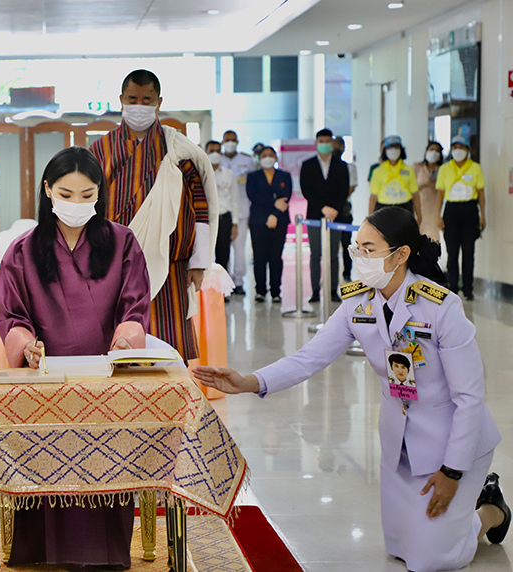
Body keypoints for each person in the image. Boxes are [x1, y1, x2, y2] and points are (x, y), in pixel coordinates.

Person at [193, 206, 510, 572]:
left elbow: (470, 397)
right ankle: (464, 513)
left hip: (453, 445)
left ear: (401, 255)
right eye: (357, 248)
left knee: (432, 559)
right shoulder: (358, 303)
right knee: (400, 548)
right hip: (402, 446)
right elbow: (309, 357)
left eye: (369, 249)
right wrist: (250, 382)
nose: (360, 257)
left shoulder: (441, 308)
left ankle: (490, 509)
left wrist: (453, 471)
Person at [0, 146, 151, 568]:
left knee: (108, 460)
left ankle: (105, 551)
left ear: (100, 193)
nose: (76, 204)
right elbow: (11, 315)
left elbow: (135, 306)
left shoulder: (122, 241)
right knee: (43, 458)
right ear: (48, 189)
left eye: (87, 195)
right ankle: (42, 551)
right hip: (46, 380)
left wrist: (126, 338)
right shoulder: (23, 250)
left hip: (107, 379)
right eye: (66, 194)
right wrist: (26, 345)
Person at [90, 69, 217, 361]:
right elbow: (90, 204)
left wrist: (199, 262)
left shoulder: (179, 149)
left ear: (159, 102)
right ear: (121, 100)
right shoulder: (101, 150)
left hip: (171, 265)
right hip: (115, 263)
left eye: (146, 100)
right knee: (118, 343)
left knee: (170, 348)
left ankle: (173, 391)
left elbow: (200, 206)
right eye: (132, 99)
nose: (139, 106)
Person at [299, 128, 350, 303]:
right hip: (315, 216)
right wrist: (323, 208)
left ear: (332, 143)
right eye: (321, 141)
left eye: (327, 141)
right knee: (315, 254)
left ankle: (333, 289)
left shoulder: (341, 165)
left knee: (333, 254)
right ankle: (315, 291)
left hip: (335, 217)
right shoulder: (307, 165)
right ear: (316, 143)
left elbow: (343, 190)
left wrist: (333, 210)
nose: (324, 144)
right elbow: (306, 190)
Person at [436, 135, 486, 301]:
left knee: (468, 252)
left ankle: (468, 288)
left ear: (467, 150)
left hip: (469, 210)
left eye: (461, 147)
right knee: (452, 252)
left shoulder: (475, 168)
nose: (458, 151)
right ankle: (453, 287)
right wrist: (438, 215)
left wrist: (482, 215)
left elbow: (480, 193)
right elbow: (440, 193)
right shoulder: (445, 168)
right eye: (455, 147)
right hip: (451, 210)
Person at [246, 146, 291, 303]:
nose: (268, 158)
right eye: (264, 155)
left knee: (275, 257)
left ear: (276, 158)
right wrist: (273, 203)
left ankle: (276, 292)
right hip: (258, 221)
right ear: (259, 158)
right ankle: (260, 291)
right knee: (259, 257)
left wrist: (275, 215)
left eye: (271, 155)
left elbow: (285, 199)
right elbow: (253, 196)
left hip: (280, 221)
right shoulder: (252, 176)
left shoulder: (285, 176)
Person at [221, 130, 255, 296]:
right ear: (222, 142)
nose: (230, 143)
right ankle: (224, 281)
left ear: (238, 141)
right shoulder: (217, 160)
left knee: (240, 249)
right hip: (222, 211)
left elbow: (252, 186)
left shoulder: (246, 160)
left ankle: (239, 281)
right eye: (227, 140)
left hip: (242, 210)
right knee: (222, 249)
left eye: (233, 140)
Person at [206, 140, 239, 294]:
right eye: (211, 151)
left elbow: (235, 199)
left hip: (224, 219)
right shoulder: (199, 172)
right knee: (205, 255)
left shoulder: (228, 174)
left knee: (223, 255)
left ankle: (221, 291)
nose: (215, 154)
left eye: (218, 151)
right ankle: (207, 290)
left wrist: (235, 224)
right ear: (205, 152)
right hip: (205, 220)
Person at [369, 135, 421, 220]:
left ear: (401, 150)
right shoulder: (378, 171)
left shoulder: (409, 170)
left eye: (396, 147)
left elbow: (415, 195)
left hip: (405, 207)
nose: (393, 150)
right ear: (385, 151)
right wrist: (370, 218)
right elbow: (373, 198)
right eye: (390, 148)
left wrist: (419, 215)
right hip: (383, 208)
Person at [333, 136, 358, 281]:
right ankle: (330, 274)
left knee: (346, 242)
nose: (336, 149)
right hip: (330, 210)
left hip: (344, 209)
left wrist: (338, 198)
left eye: (339, 146)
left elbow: (351, 188)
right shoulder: (327, 168)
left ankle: (347, 273)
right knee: (330, 245)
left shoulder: (350, 167)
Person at [415, 141, 444, 241]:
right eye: (431, 150)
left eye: (437, 151)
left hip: (435, 206)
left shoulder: (442, 169)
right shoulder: (417, 167)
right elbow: (411, 186)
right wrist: (426, 182)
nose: (434, 153)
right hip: (420, 205)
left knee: (433, 237)